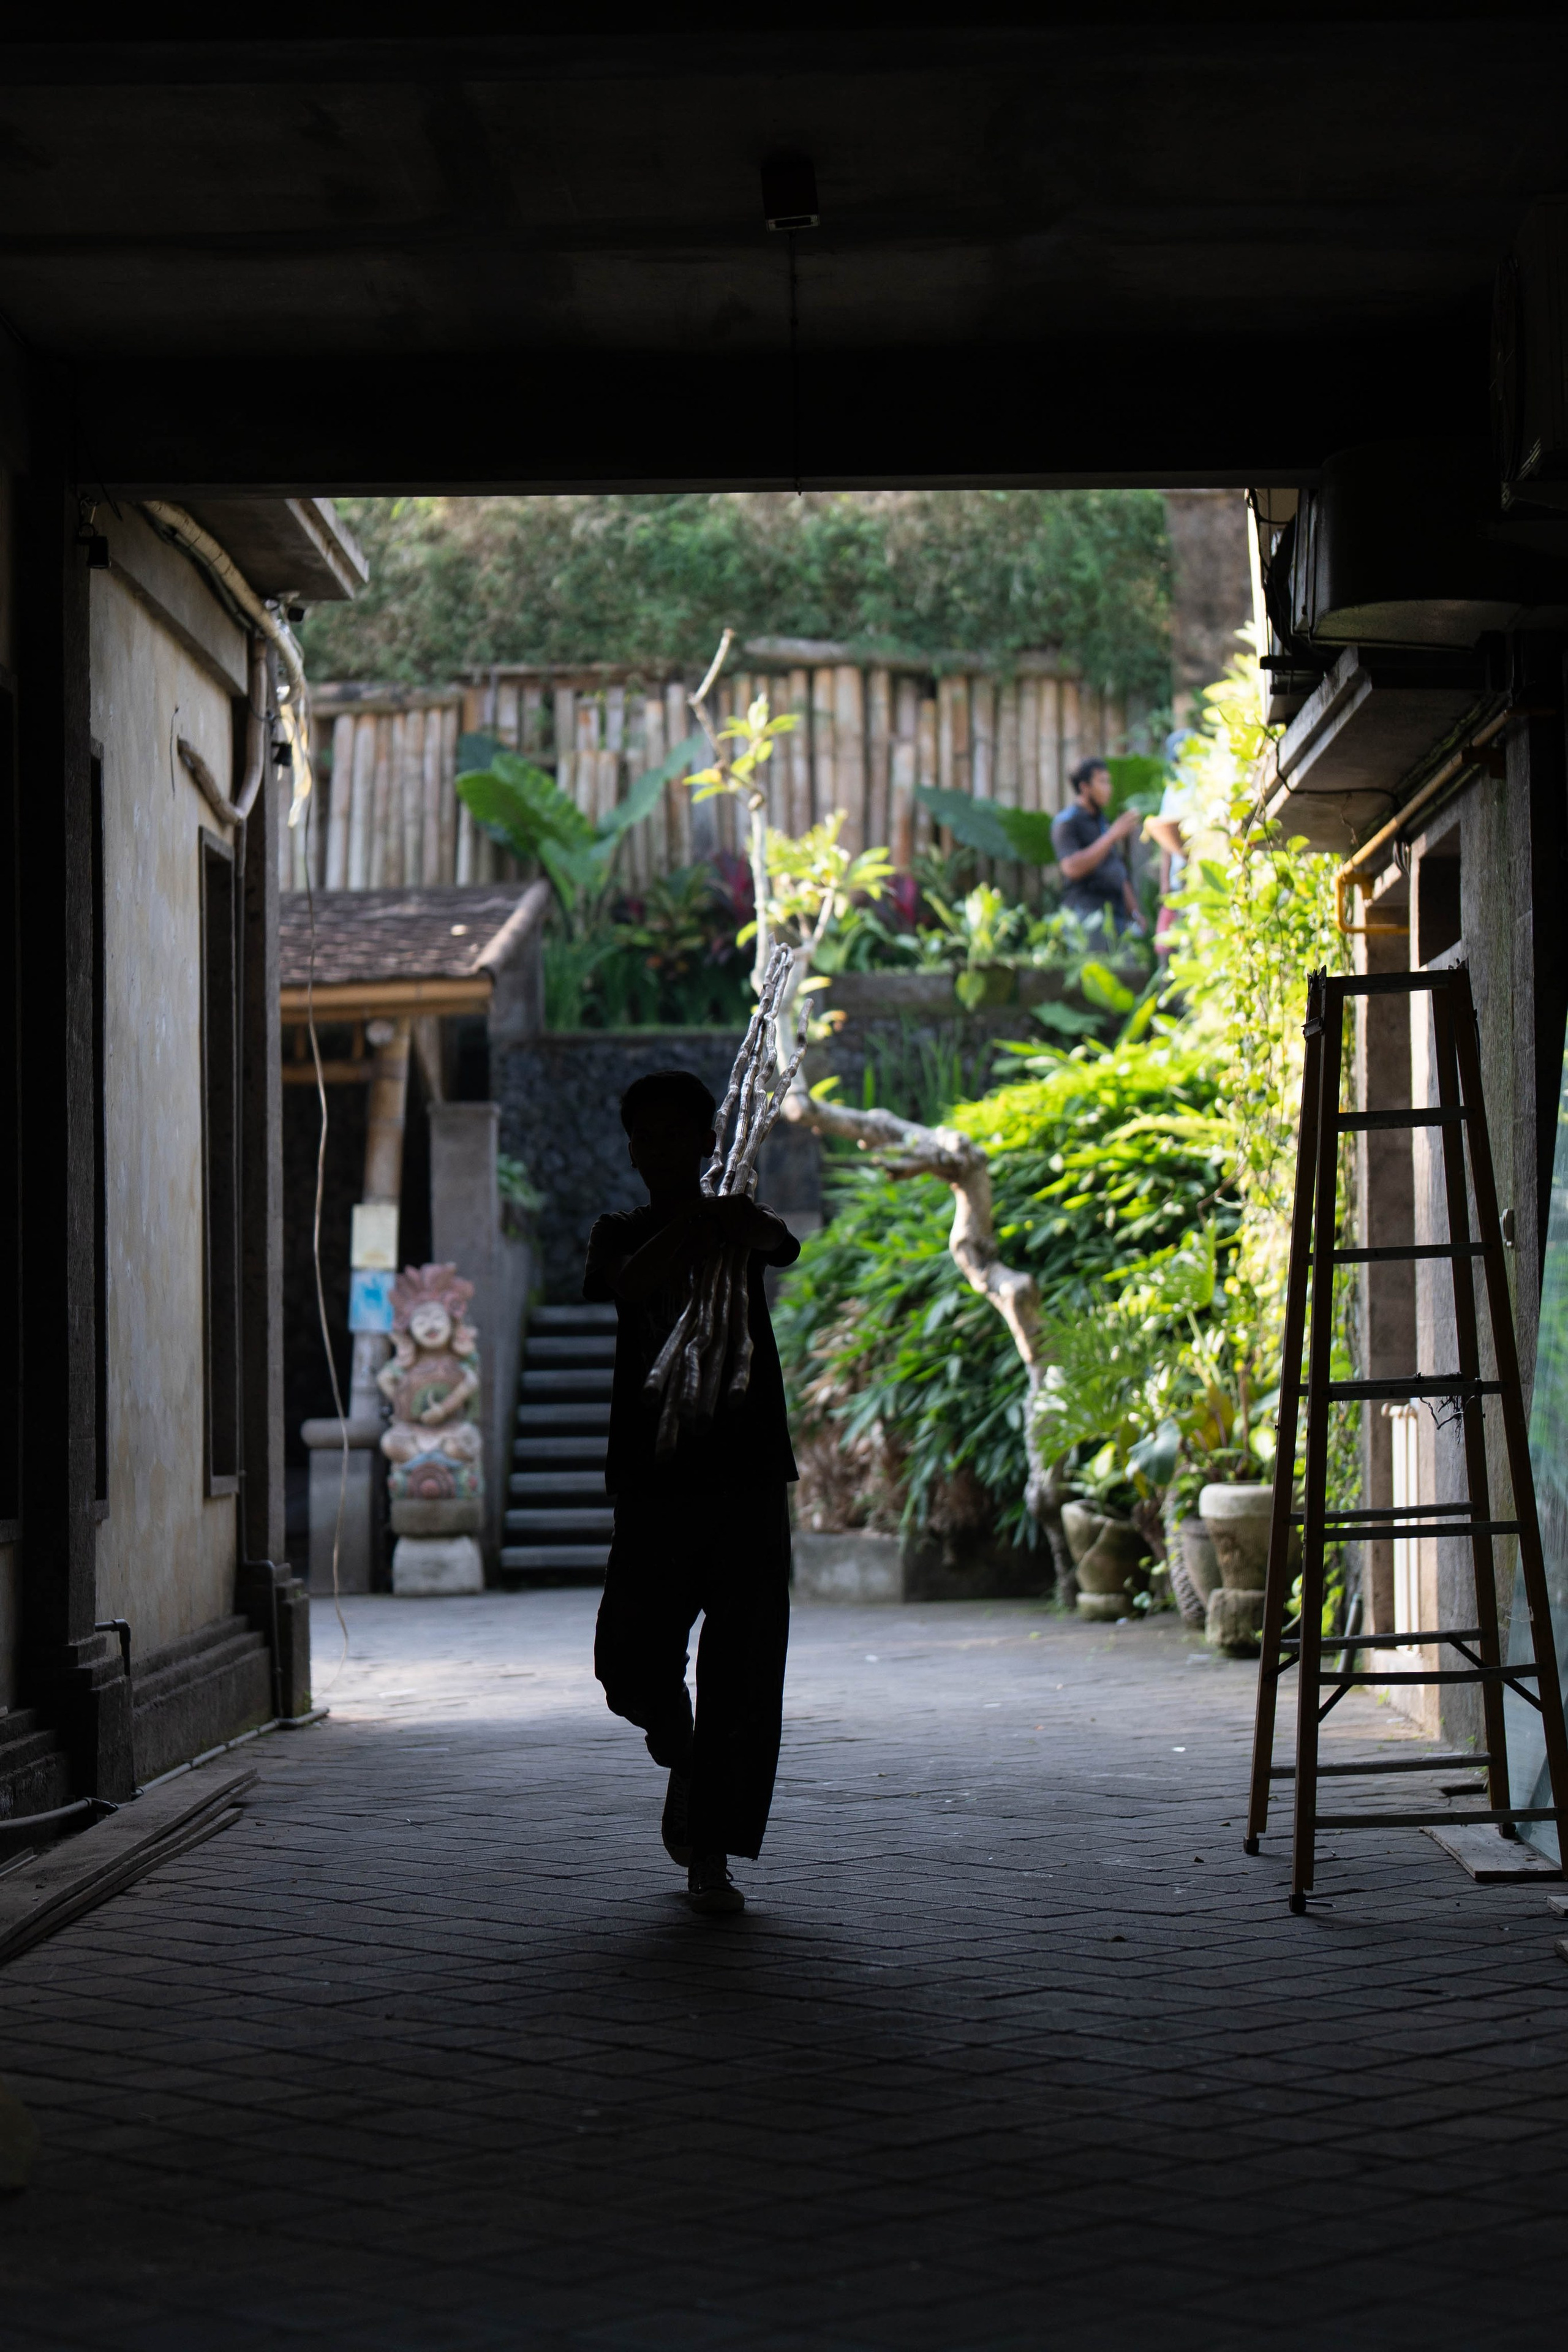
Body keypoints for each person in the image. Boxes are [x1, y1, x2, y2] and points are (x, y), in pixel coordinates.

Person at [584, 1068, 801, 1917]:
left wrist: (733, 1222)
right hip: (656, 1477)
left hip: (747, 1474)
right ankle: (676, 1739)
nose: (660, 1149)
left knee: (742, 1674)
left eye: (678, 1134)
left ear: (708, 1142)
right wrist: (696, 1226)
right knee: (627, 1659)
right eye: (646, 1136)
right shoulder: (619, 1232)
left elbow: (781, 1243)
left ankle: (710, 1855)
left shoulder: (739, 1224)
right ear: (631, 1151)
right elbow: (631, 1283)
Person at [1051, 755, 1142, 934]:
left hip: (1116, 916)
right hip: (1086, 917)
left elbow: (1117, 868)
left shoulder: (1102, 821)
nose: (1109, 788)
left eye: (1109, 782)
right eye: (1102, 782)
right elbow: (1071, 868)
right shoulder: (1067, 822)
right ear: (1084, 787)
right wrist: (1111, 836)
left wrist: (1135, 912)